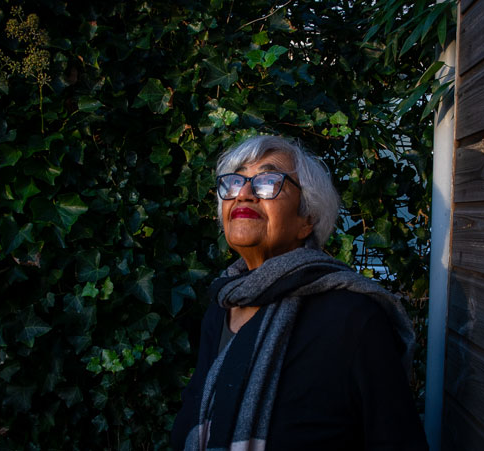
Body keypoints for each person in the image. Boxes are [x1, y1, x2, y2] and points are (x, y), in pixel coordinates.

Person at [171, 135, 428, 450]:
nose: (244, 194)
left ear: (308, 218)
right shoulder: (222, 308)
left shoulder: (353, 319)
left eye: (267, 181)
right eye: (236, 182)